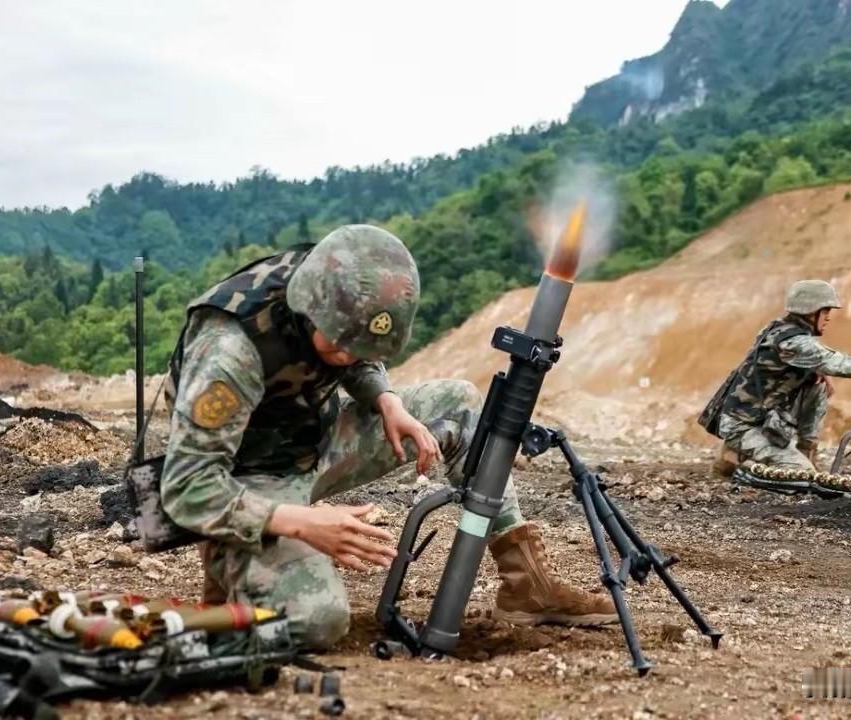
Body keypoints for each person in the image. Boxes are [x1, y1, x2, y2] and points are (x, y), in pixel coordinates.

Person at [160, 225, 616, 649]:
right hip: (247, 482)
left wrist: (387, 401)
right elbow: (186, 488)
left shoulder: (338, 282)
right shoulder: (231, 352)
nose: (348, 357)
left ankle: (528, 586)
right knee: (317, 620)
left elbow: (358, 350)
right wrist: (304, 523)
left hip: (310, 441)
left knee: (457, 403)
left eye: (358, 347)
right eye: (340, 345)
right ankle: (231, 573)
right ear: (310, 308)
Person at [700, 279, 851, 476]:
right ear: (810, 311)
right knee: (801, 474)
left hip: (758, 418)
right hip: (742, 426)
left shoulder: (779, 328)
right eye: (825, 311)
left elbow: (802, 362)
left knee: (818, 386)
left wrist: (818, 372)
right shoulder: (795, 342)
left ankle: (803, 453)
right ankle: (739, 458)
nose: (828, 318)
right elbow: (849, 366)